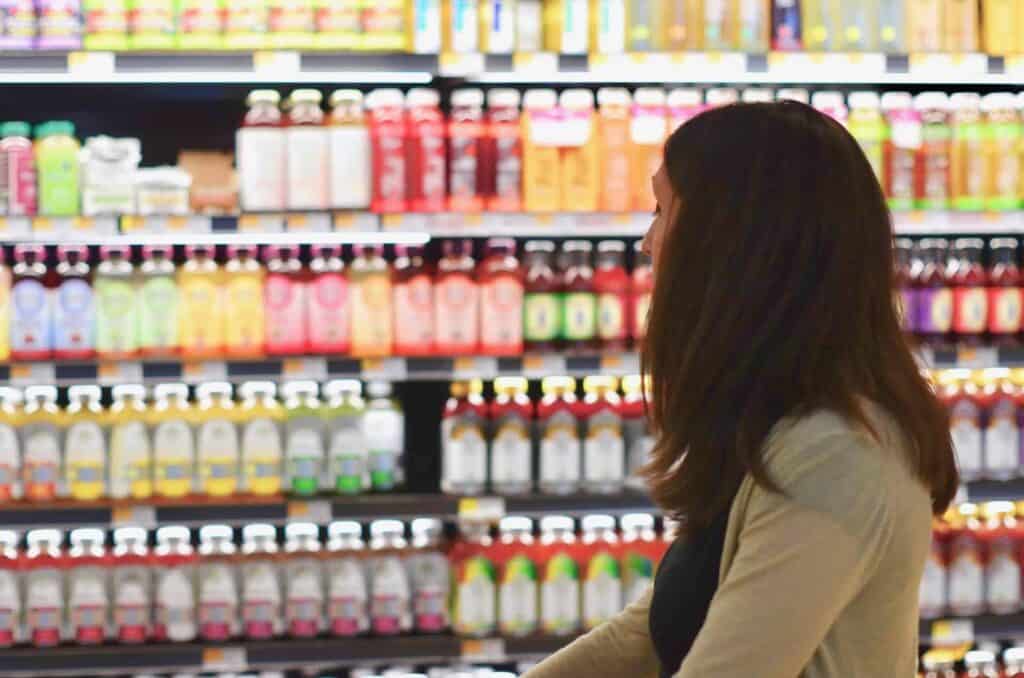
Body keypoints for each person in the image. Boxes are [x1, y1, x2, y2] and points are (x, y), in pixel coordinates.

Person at [525, 101, 958, 677]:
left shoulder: (836, 455)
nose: (647, 242)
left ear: (730, 246)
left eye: (661, 210)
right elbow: (648, 633)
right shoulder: (775, 421)